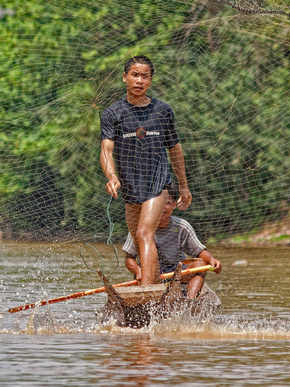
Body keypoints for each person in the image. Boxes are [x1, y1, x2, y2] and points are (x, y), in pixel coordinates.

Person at [100, 55, 192, 285]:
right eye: (135, 75)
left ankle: (146, 293)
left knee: (144, 233)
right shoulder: (112, 113)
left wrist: (183, 185)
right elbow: (106, 150)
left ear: (150, 81)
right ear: (125, 77)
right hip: (130, 186)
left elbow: (175, 149)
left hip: (158, 183)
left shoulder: (163, 111)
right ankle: (157, 288)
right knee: (140, 240)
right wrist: (111, 176)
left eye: (145, 76)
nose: (139, 80)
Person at [123, 185, 222, 298]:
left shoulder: (181, 227)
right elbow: (129, 259)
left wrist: (211, 260)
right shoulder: (141, 229)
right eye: (159, 204)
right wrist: (138, 270)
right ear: (151, 206)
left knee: (200, 264)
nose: (163, 208)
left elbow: (199, 251)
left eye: (167, 203)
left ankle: (189, 302)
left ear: (174, 205)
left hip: (177, 276)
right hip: (149, 275)